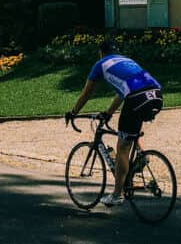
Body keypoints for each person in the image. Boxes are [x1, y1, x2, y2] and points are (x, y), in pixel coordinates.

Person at [66, 39, 163, 207]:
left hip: (136, 98)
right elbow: (122, 92)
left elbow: (86, 93)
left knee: (123, 147)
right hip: (156, 95)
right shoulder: (126, 60)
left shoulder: (101, 64)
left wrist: (73, 112)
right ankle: (141, 154)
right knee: (131, 130)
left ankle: (117, 195)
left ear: (101, 53)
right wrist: (109, 113)